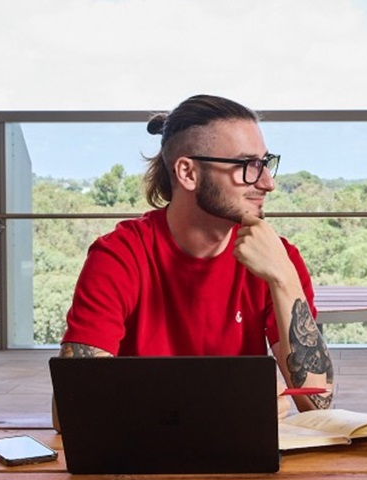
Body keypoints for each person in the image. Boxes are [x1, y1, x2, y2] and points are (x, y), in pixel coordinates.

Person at [57, 94, 332, 420]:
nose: (268, 183)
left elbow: (317, 401)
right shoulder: (119, 255)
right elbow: (71, 410)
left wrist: (283, 279)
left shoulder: (277, 258)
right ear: (188, 172)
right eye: (247, 166)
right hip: (141, 462)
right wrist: (220, 405)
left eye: (265, 163)